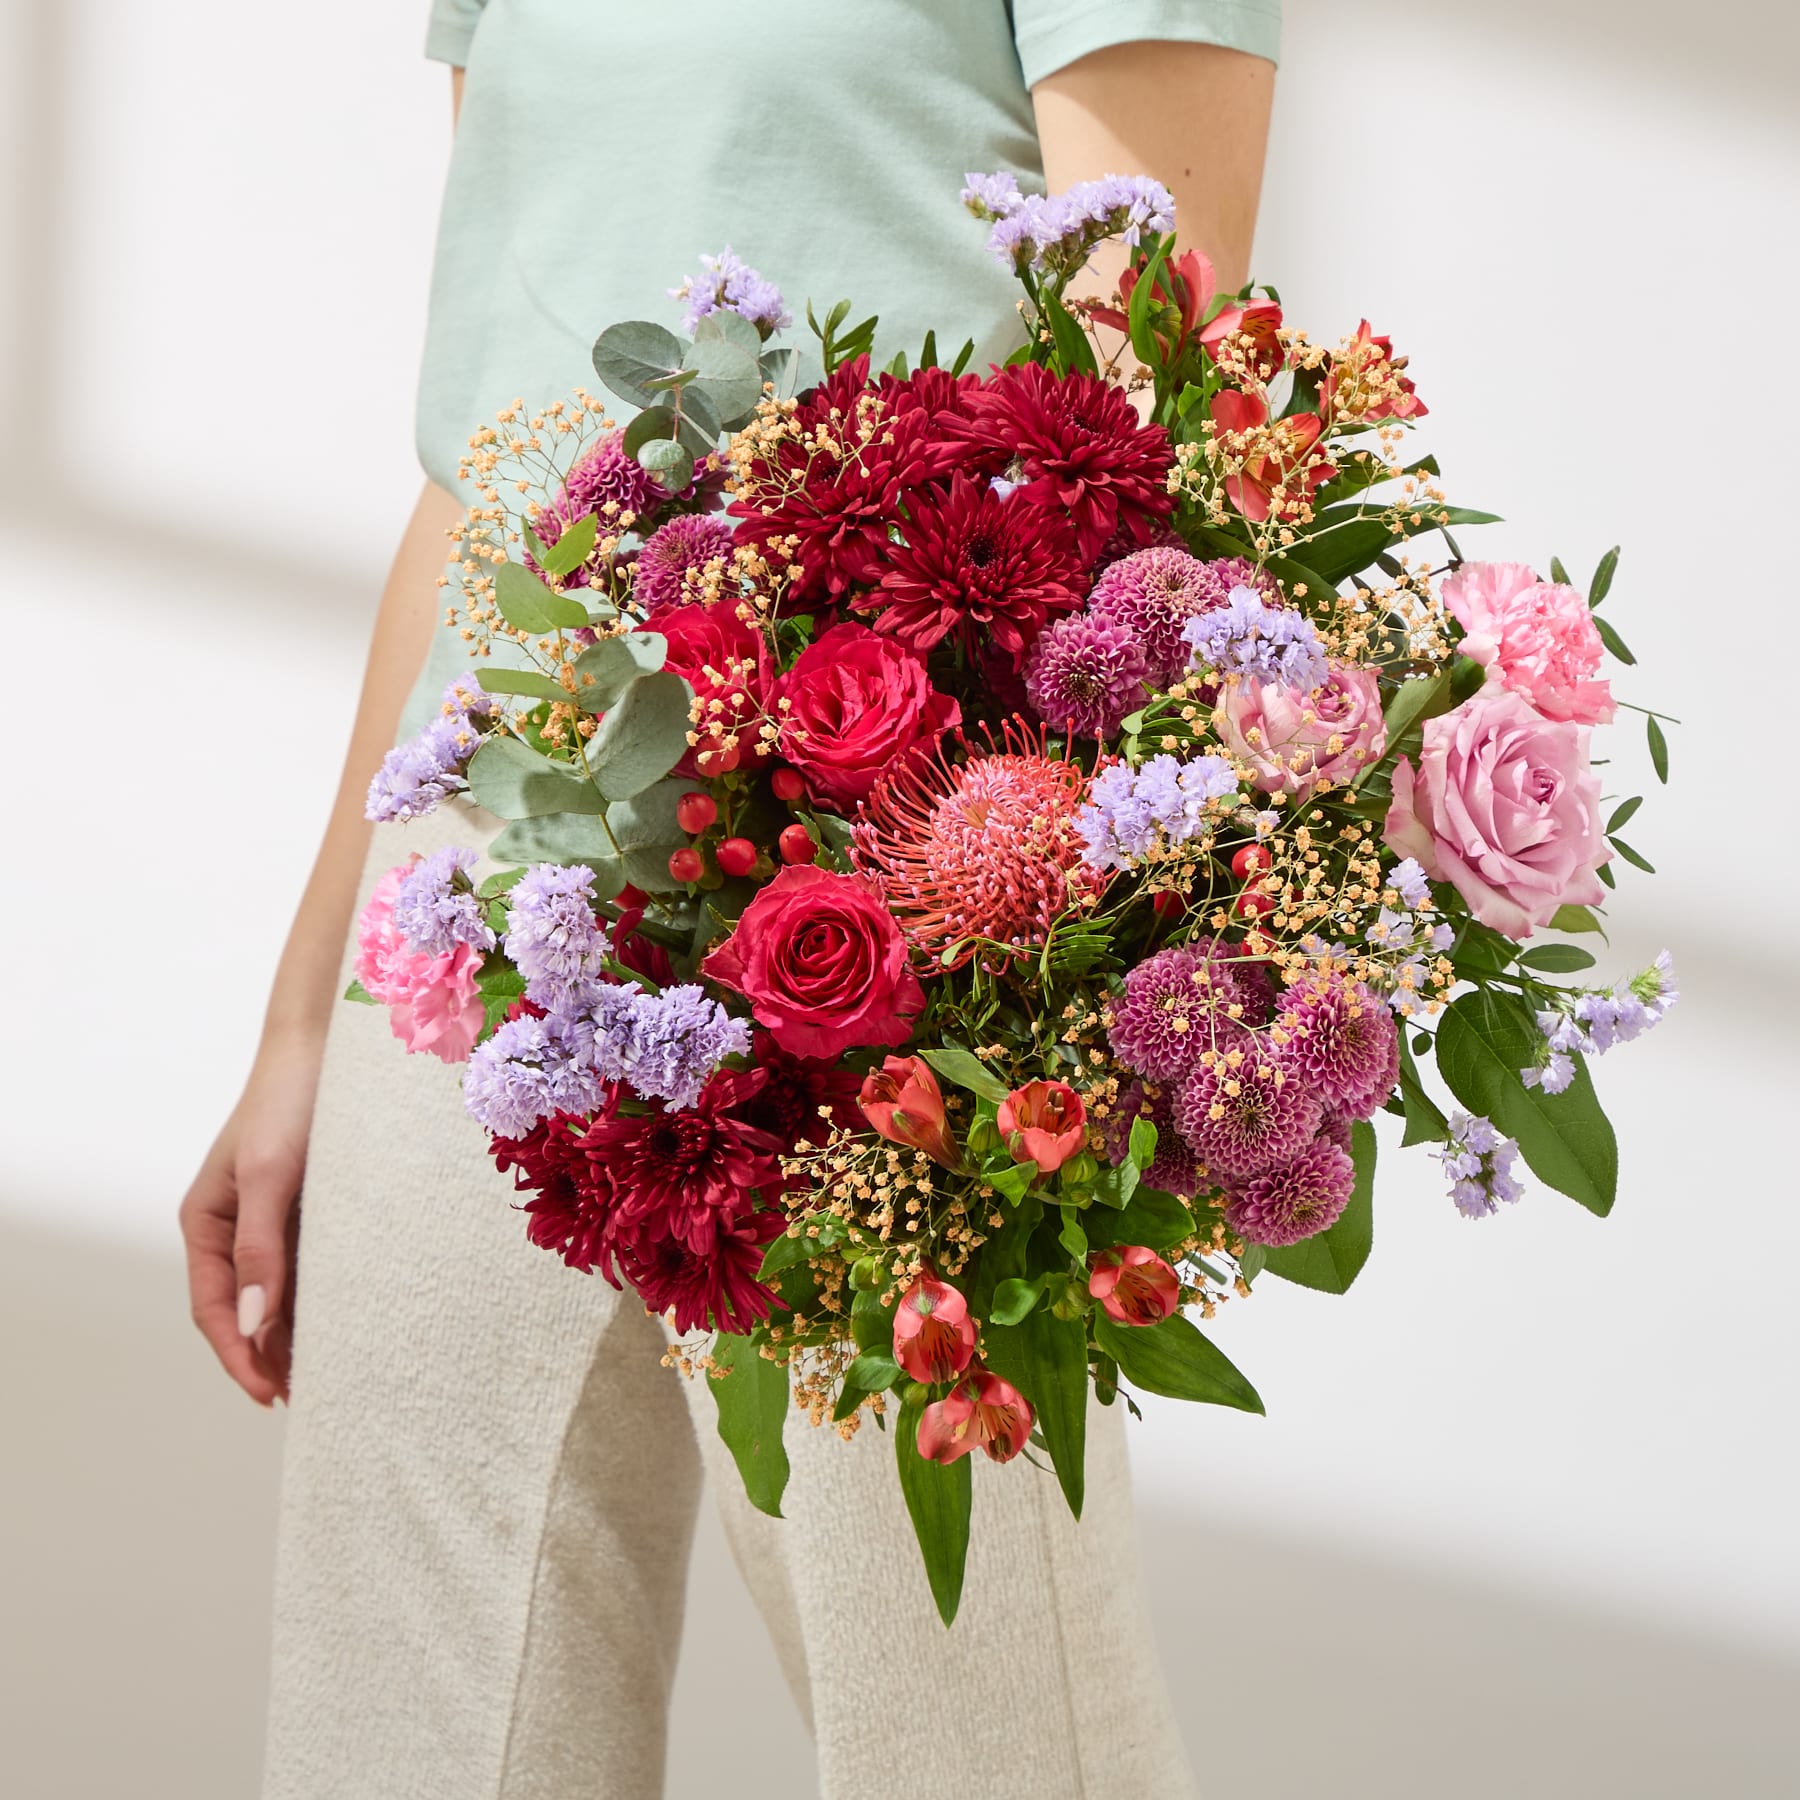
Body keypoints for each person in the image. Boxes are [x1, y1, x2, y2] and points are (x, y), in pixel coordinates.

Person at [180, 5, 1279, 1795]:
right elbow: (488, 468)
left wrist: (1001, 911)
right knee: (414, 1713)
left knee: (973, 1721)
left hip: (874, 857)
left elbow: (1149, 404)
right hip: (483, 885)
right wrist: (309, 1018)